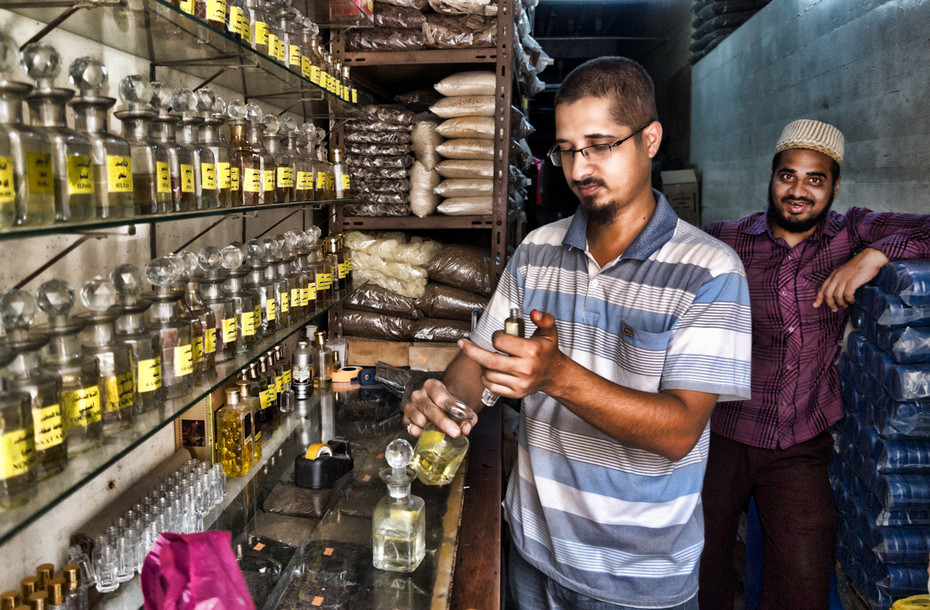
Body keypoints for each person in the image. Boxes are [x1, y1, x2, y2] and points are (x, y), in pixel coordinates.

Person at [403, 56, 753, 609]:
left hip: (636, 581)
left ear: (650, 139)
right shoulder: (537, 252)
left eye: (600, 144)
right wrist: (449, 399)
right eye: (566, 149)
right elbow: (481, 360)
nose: (580, 167)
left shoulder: (711, 270)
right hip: (534, 555)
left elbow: (680, 430)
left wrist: (558, 375)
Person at [700, 119, 930, 608]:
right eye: (788, 176)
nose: (798, 191)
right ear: (772, 177)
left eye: (814, 179)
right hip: (721, 432)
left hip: (800, 440)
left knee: (803, 582)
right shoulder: (727, 240)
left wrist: (873, 255)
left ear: (835, 184)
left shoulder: (850, 233)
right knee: (700, 567)